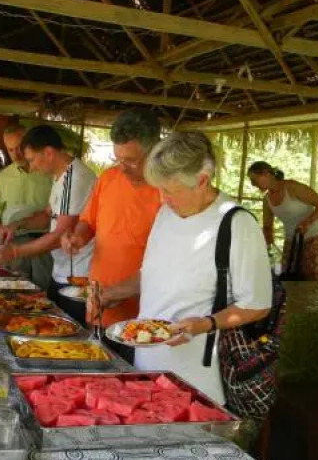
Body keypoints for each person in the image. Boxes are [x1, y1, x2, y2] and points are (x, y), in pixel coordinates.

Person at [99, 131, 272, 403]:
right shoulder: (166, 213)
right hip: (146, 366)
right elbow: (155, 273)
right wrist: (114, 292)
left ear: (201, 180)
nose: (162, 199)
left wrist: (205, 324)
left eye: (170, 190)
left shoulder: (237, 224)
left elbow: (257, 304)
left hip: (196, 378)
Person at [61, 109, 162, 360]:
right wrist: (78, 237)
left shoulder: (167, 191)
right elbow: (88, 221)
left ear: (154, 151)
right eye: (118, 159)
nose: (123, 168)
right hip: (100, 307)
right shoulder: (108, 178)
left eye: (131, 160)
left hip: (143, 321)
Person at [0, 125, 96, 324]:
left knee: (68, 333)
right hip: (62, 271)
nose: (31, 168)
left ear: (48, 152)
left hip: (77, 277)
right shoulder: (60, 176)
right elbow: (47, 215)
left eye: (32, 160)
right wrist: (17, 225)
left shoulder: (74, 178)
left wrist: (15, 252)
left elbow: (59, 235)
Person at [0, 123, 53, 290]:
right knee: (13, 291)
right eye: (10, 150)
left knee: (41, 295)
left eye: (18, 147)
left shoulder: (49, 173)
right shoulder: (2, 178)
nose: (15, 154)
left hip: (44, 243)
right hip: (13, 243)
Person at [247, 161, 318, 281]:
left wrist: (307, 222)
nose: (253, 184)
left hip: (315, 236)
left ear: (265, 173)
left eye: (254, 180)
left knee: (311, 279)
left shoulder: (292, 187)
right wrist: (263, 247)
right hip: (292, 239)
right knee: (288, 279)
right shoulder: (267, 200)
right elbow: (267, 227)